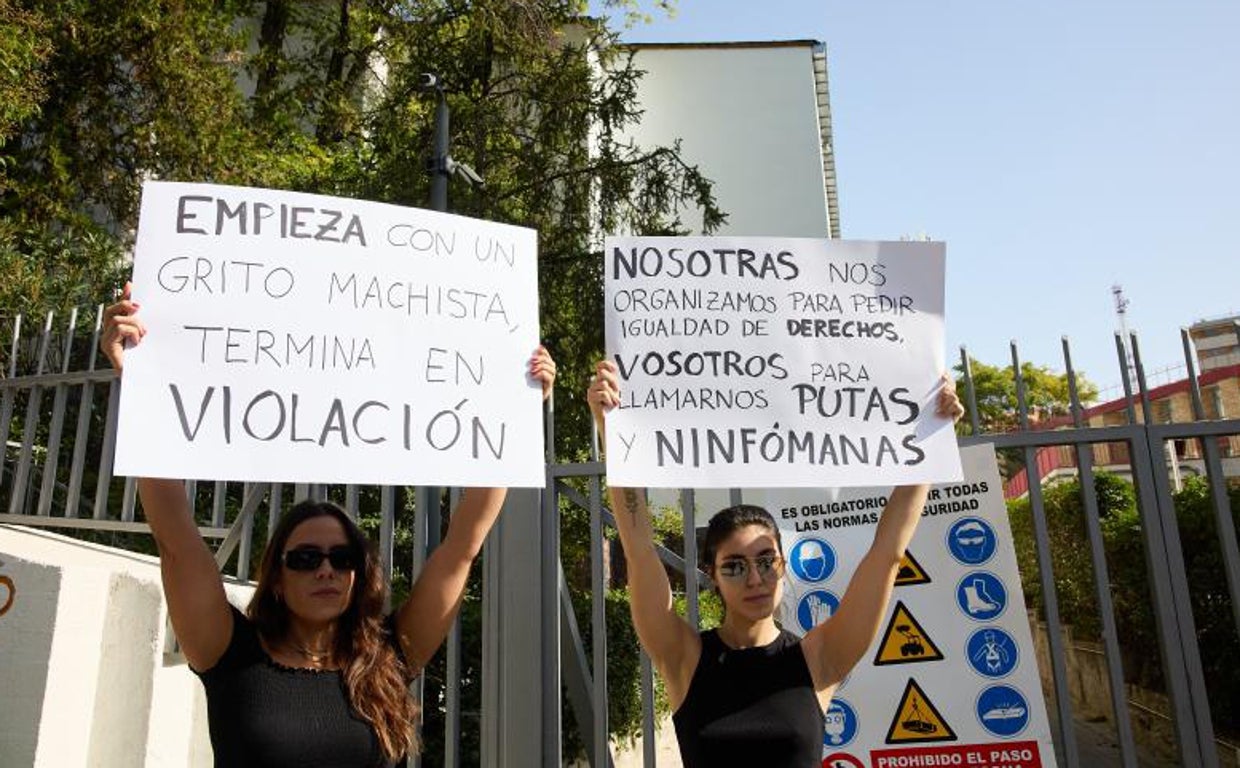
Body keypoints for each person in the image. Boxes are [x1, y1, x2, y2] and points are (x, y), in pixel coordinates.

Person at [101, 285, 556, 767]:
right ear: (276, 574)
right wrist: (139, 380)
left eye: (343, 558)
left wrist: (517, 409)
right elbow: (176, 539)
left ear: (359, 572)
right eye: (305, 558)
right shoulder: (229, 652)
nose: (327, 571)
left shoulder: (389, 658)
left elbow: (462, 546)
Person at [586, 359, 964, 768]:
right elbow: (639, 551)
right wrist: (612, 428)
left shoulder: (819, 657)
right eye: (735, 566)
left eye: (767, 562)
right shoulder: (686, 658)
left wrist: (930, 438)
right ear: (712, 575)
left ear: (783, 565)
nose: (755, 578)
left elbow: (888, 553)